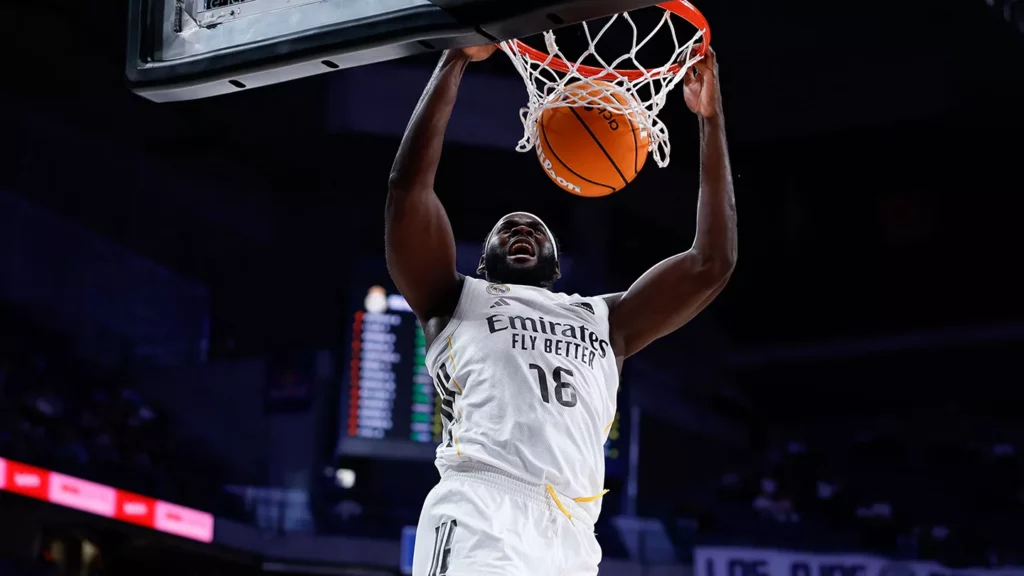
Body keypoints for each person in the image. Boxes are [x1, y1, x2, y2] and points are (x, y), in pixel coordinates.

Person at [386, 42, 736, 576]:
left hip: (572, 532)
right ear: (482, 262)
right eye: (508, 229)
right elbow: (408, 190)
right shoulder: (454, 298)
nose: (522, 229)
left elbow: (712, 262)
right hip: (483, 508)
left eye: (535, 229)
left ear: (555, 267)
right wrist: (454, 60)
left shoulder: (606, 319)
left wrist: (710, 121)